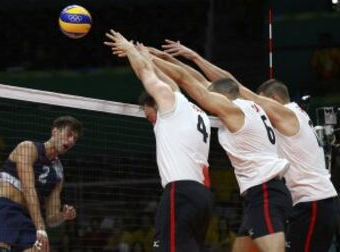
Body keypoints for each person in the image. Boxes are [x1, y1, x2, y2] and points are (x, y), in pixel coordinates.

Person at [164, 40, 339, 252]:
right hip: (299, 202)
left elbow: (235, 86)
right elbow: (218, 86)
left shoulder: (286, 113)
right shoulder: (291, 116)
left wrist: (194, 58)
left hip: (311, 203)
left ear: (274, 99)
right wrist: (191, 59)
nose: (257, 105)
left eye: (262, 101)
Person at [151, 47, 292, 252]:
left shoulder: (233, 110)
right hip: (260, 193)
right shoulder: (251, 104)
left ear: (223, 97)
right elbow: (201, 81)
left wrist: (147, 59)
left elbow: (188, 83)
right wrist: (175, 59)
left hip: (264, 192)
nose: (210, 105)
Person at [104, 30, 212, 252]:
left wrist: (130, 50)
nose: (150, 121)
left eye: (147, 115)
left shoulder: (169, 105)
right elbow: (170, 83)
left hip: (180, 191)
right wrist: (148, 57)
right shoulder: (192, 109)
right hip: (202, 197)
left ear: (156, 104)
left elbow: (146, 74)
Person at [0, 116, 82, 252]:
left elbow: (51, 218)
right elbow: (29, 189)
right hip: (6, 210)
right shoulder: (28, 148)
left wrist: (63, 216)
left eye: (75, 139)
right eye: (69, 134)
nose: (71, 141)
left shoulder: (58, 173)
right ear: (55, 132)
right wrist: (40, 228)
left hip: (27, 219)